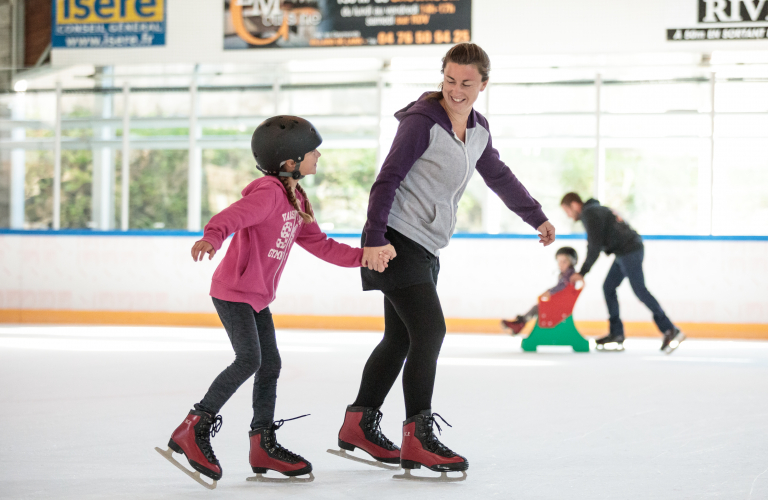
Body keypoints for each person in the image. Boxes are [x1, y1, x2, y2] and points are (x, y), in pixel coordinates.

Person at [332, 43, 556, 478]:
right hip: (395, 241)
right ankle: (418, 437)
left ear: (483, 85)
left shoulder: (478, 131)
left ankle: (359, 424)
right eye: (450, 80)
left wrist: (536, 217)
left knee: (400, 339)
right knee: (430, 331)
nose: (456, 90)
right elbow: (387, 179)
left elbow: (498, 175)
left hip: (426, 247)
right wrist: (375, 238)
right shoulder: (421, 123)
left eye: (467, 83)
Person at [156, 116, 395, 488]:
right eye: (313, 151)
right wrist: (212, 237)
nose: (318, 156)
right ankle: (193, 429)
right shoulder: (268, 193)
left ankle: (262, 445)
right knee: (250, 359)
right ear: (290, 162)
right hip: (233, 293)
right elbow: (231, 217)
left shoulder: (295, 197)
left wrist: (363, 256)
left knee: (270, 365)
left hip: (257, 298)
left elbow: (320, 244)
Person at [560, 192, 685, 352]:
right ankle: (616, 334)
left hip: (629, 251)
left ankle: (670, 329)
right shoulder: (596, 209)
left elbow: (594, 247)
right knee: (608, 287)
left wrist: (582, 272)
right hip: (624, 252)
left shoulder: (589, 213)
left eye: (568, 211)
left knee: (640, 290)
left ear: (575, 205)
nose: (569, 216)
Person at [502, 247, 579, 334]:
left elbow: (562, 287)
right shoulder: (566, 274)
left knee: (538, 308)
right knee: (537, 307)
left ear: (572, 262)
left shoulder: (569, 275)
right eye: (559, 261)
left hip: (560, 306)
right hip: (558, 303)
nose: (561, 264)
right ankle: (521, 322)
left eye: (564, 262)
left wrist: (549, 292)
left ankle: (521, 323)